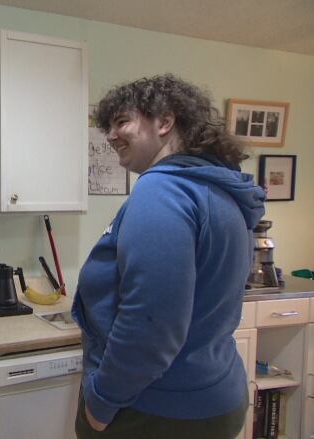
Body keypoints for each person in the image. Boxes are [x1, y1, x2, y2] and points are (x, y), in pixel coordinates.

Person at [72, 74, 265, 438]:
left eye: (121, 122)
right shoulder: (217, 189)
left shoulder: (161, 191)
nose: (110, 136)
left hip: (156, 409)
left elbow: (150, 325)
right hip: (214, 392)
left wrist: (100, 403)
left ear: (164, 121)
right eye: (108, 127)